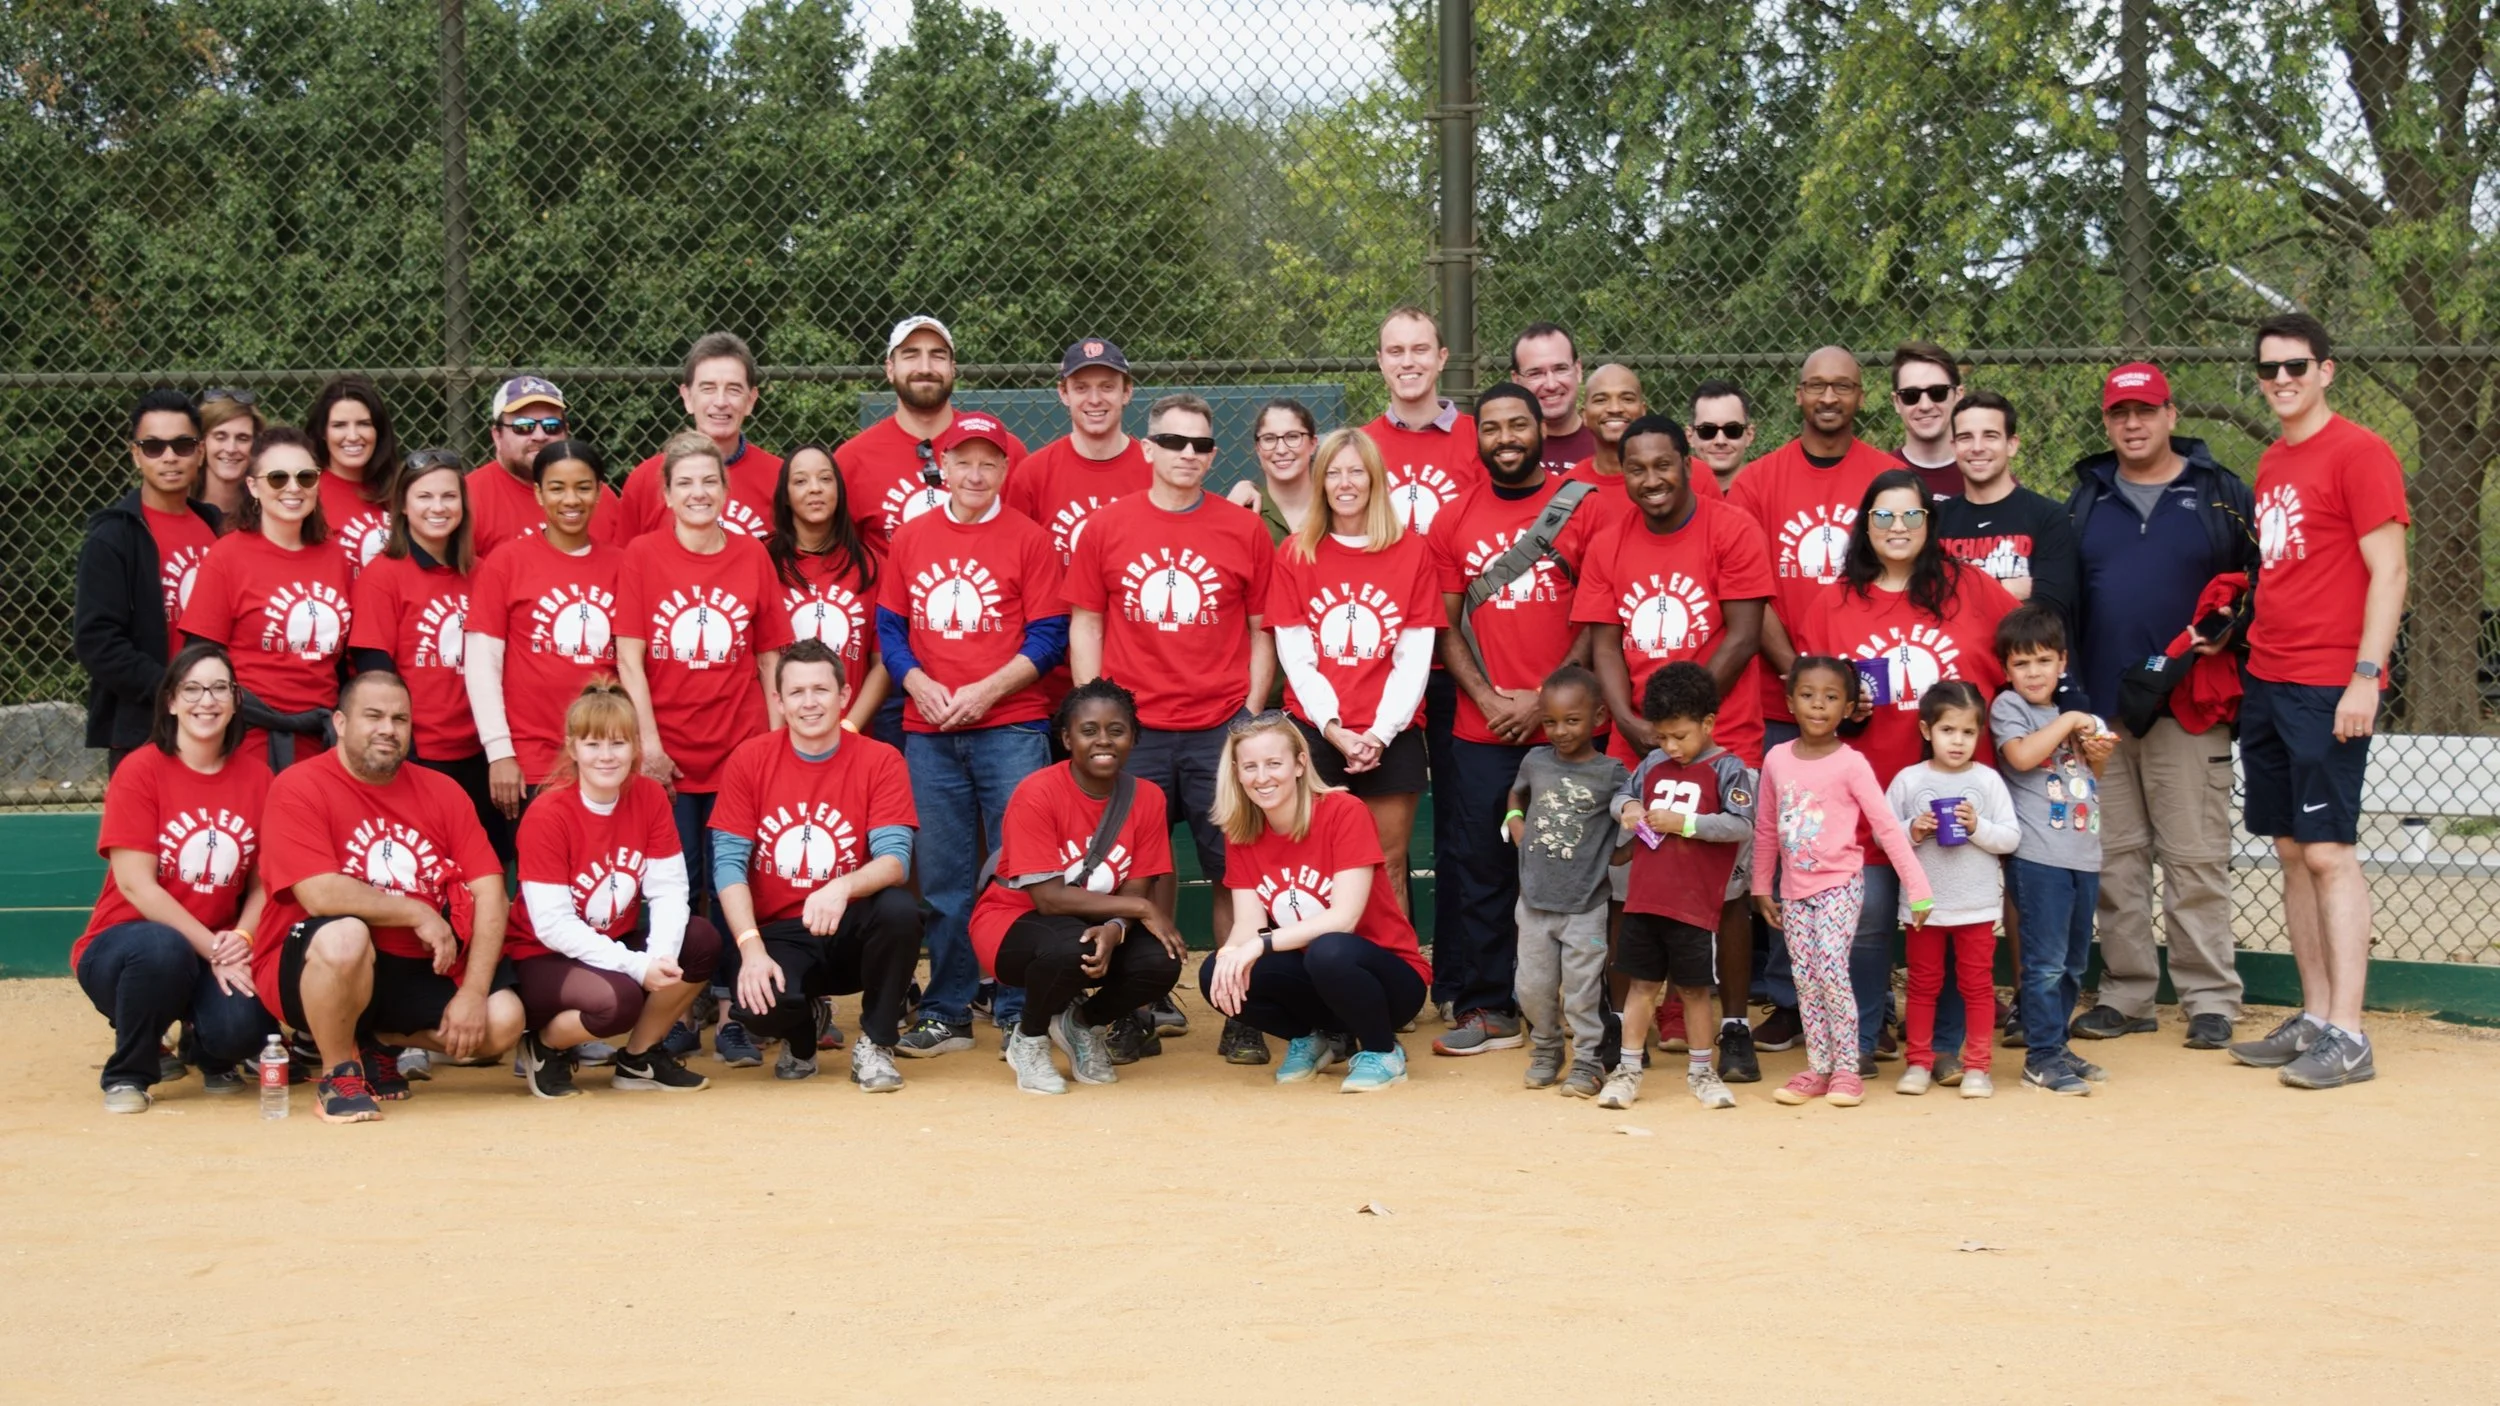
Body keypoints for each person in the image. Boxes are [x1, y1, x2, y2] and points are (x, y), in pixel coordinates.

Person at [2227, 313, 2408, 1090]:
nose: (2282, 381)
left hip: (2329, 683)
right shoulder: (2273, 461)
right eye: (2269, 370)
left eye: (2296, 367)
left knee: (2330, 850)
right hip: (2268, 676)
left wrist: (2365, 674)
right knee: (2291, 849)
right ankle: (2316, 1014)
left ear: (2326, 370)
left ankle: (2351, 1033)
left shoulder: (2361, 453)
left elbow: (2390, 571)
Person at [1066, 392, 1275, 1061]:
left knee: (1233, 873)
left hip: (1219, 728)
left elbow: (1260, 632)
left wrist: (1249, 718)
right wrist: (1096, 719)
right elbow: (1087, 623)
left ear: (1214, 455)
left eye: (1202, 445)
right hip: (1136, 732)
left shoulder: (1243, 530)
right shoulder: (1106, 527)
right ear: (1147, 447)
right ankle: (1136, 1009)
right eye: (1175, 442)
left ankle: (1239, 1008)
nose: (1189, 455)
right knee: (1130, 878)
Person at [1790, 470, 2017, 1076]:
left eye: (1911, 515)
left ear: (1929, 523)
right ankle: (1863, 1038)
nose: (1897, 527)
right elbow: (1815, 693)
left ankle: (1943, 1047)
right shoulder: (1833, 602)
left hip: (1950, 793)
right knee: (1865, 922)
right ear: (1865, 526)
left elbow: (2022, 653)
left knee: (1945, 918)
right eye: (1883, 516)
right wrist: (1849, 707)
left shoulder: (1973, 589)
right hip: (1861, 789)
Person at [1569, 414, 1773, 1079]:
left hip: (1719, 740)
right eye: (1636, 468)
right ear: (1620, 472)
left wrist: (1681, 721)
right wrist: (1633, 721)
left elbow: (1743, 635)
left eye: (1663, 465)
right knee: (1630, 884)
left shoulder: (1731, 528)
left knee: (1726, 888)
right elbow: (1602, 640)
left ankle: (1734, 1024)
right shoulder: (1608, 539)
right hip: (1640, 744)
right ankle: (1629, 1029)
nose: (1650, 480)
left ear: (1687, 464)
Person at [2066, 361, 2253, 1050]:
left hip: (2190, 706)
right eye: (2120, 413)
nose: (2133, 424)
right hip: (2107, 713)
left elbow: (2261, 582)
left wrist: (2236, 625)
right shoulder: (2086, 499)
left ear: (2172, 415)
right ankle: (2128, 992)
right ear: (2108, 422)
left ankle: (2208, 997)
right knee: (2115, 857)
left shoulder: (2219, 494)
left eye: (2146, 411)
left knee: (2194, 856)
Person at [251, 671, 524, 1124]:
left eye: (400, 719)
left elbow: (491, 891)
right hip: (311, 962)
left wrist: (474, 992)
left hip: (410, 966)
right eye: (373, 716)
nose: (388, 729)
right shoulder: (300, 785)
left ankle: (381, 1040)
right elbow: (319, 893)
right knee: (346, 935)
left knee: (502, 1021)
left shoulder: (441, 791)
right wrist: (415, 911)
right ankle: (340, 1073)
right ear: (340, 722)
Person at [877, 412, 1066, 1055]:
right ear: (944, 467)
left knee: (1019, 870)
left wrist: (986, 690)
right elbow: (890, 628)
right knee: (944, 878)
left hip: (1010, 725)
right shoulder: (912, 537)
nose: (975, 473)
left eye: (989, 461)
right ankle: (949, 1006)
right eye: (964, 460)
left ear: (1006, 469)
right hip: (928, 729)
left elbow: (1047, 636)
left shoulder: (1030, 539)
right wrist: (917, 684)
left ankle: (1017, 1004)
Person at [1427, 383, 1597, 1058]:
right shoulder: (1453, 517)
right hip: (1482, 727)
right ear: (1479, 438)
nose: (1505, 437)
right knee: (1483, 869)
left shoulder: (1582, 509)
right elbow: (1441, 625)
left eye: (1518, 425)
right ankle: (1488, 1007)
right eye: (1492, 427)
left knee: (1583, 868)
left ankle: (1590, 1010)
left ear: (1541, 430)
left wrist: (1546, 700)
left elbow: (1595, 619)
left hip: (1572, 728)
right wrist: (1492, 699)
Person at [614, 431, 792, 977]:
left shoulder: (751, 556)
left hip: (738, 748)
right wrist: (649, 746)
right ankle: (676, 1001)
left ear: (727, 491)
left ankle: (736, 1001)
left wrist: (772, 744)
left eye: (709, 481)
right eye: (685, 483)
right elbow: (629, 660)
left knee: (735, 876)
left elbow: (770, 659)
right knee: (675, 881)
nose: (698, 493)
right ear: (665, 494)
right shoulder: (643, 555)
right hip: (668, 755)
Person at [709, 640, 922, 1092]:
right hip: (781, 931)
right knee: (756, 1008)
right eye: (797, 692)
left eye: (821, 690)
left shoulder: (879, 759)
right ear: (778, 701)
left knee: (900, 912)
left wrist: (842, 886)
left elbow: (894, 861)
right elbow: (728, 866)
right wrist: (749, 948)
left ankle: (877, 1044)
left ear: (844, 696)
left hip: (849, 927)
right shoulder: (750, 760)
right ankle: (803, 1034)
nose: (810, 703)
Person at [74, 643, 277, 1113]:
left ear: (235, 700)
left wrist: (242, 938)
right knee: (162, 948)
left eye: (219, 688)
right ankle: (129, 1073)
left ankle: (206, 1052)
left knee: (243, 1028)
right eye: (192, 688)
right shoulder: (140, 770)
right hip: (126, 948)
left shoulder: (258, 778)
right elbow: (135, 885)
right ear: (170, 700)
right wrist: (211, 948)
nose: (207, 701)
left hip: (214, 950)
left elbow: (263, 883)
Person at [970, 680, 1187, 1093]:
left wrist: (1117, 928)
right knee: (1072, 945)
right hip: (1012, 921)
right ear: (1067, 739)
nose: (1103, 740)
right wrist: (1139, 913)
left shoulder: (1148, 798)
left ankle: (1080, 1024)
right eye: (1089, 730)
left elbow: (1137, 887)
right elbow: (1048, 899)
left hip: (1093, 921)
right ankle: (1029, 1040)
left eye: (1116, 730)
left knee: (1162, 960)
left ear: (1133, 737)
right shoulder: (1036, 793)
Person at [1199, 712, 1432, 1093]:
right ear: (1237, 773)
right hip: (1316, 976)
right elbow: (1247, 924)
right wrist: (1229, 954)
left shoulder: (1343, 812)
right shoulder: (1241, 829)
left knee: (1329, 949)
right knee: (1215, 973)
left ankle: (1382, 1050)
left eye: (1274, 763)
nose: (1262, 777)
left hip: (1388, 980)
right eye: (1250, 767)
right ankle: (1311, 1038)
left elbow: (1344, 918)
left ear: (1299, 764)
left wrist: (1259, 944)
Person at [506, 681, 718, 1097]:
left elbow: (669, 889)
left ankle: (638, 1059)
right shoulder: (548, 813)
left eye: (618, 743)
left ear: (636, 747)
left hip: (609, 943)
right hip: (541, 955)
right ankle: (543, 1046)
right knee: (618, 1000)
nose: (606, 756)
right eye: (593, 744)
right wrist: (637, 967)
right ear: (572, 748)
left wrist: (660, 956)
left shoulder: (650, 797)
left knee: (700, 941)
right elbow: (552, 925)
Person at [1267, 427, 1444, 914]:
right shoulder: (1297, 553)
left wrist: (1380, 735)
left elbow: (1414, 658)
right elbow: (1297, 659)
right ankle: (1323, 983)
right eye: (1334, 473)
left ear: (1375, 480)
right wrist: (1335, 730)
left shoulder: (1410, 552)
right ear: (1320, 482)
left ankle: (1397, 983)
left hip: (1392, 732)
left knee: (1387, 865)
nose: (1345, 484)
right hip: (1317, 733)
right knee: (1316, 867)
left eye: (1357, 472)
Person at [1751, 657, 1931, 1108]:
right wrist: (1759, 886)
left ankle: (1848, 1069)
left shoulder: (1852, 764)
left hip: (1840, 884)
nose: (1818, 706)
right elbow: (1767, 825)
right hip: (1793, 890)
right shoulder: (1776, 759)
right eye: (1808, 695)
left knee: (1832, 970)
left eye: (1831, 698)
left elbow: (1886, 827)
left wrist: (1918, 886)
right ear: (1790, 701)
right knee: (1806, 979)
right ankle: (1818, 1066)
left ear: (1849, 707)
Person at [1729, 345, 1901, 757]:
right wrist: (1798, 675)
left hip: (1867, 699)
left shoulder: (1890, 480)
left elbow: (1901, 581)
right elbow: (1745, 592)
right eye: (1816, 386)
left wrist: (1849, 685)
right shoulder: (1755, 482)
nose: (1828, 397)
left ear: (1861, 396)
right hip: (1779, 700)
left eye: (1842, 386)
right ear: (1798, 394)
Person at [1607, 661, 1755, 1110]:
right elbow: (1621, 796)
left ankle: (1702, 1071)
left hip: (1693, 904)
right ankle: (1628, 1068)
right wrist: (1629, 808)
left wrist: (1683, 823)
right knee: (1640, 986)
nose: (1670, 746)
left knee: (1693, 989)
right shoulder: (1652, 762)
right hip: (1646, 898)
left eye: (1681, 736)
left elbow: (1740, 825)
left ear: (1708, 723)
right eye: (1662, 736)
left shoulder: (1728, 769)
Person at [348, 448, 503, 860]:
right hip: (421, 749)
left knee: (485, 859)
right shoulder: (384, 574)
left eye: (449, 497)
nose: (438, 507)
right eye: (424, 497)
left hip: (480, 747)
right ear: (402, 506)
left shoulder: (484, 573)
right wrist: (400, 744)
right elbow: (373, 669)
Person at [465, 439, 625, 820]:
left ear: (600, 492)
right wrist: (499, 750)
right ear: (538, 494)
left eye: (583, 487)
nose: (571, 500)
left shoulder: (623, 564)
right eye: (557, 488)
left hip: (606, 754)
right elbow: (481, 662)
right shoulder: (508, 561)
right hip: (532, 759)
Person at [1991, 605, 2114, 1096]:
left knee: (2073, 963)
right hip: (2039, 856)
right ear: (2006, 671)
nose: (2034, 672)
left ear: (2063, 662)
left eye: (2044, 660)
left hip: (2083, 854)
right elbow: (2021, 757)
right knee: (2043, 962)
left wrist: (2098, 756)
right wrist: (2072, 721)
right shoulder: (2011, 709)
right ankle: (2040, 1057)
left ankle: (2056, 1045)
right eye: (2021, 664)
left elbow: (2087, 780)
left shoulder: (2074, 718)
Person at [180, 427, 354, 770]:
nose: (293, 488)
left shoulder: (335, 556)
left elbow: (343, 662)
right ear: (253, 486)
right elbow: (199, 658)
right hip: (247, 736)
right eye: (277, 478)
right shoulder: (227, 556)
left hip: (320, 737)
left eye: (305, 477)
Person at [1883, 680, 2019, 1098]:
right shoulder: (1908, 780)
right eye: (1947, 730)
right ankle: (1919, 1063)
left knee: (1977, 986)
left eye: (1968, 732)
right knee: (1923, 985)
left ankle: (1978, 1066)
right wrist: (1913, 828)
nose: (1957, 741)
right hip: (1925, 907)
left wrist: (1978, 827)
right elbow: (1885, 835)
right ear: (1927, 731)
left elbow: (2011, 838)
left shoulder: (1989, 781)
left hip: (1975, 907)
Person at [76, 388, 220, 767]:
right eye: (153, 446)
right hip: (143, 725)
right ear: (135, 454)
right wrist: (174, 691)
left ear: (200, 451)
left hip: (221, 721)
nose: (169, 457)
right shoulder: (113, 537)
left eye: (182, 445)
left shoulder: (221, 529)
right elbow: (97, 642)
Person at [1504, 666, 1623, 1097]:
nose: (1559, 731)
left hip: (1586, 905)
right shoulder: (1535, 761)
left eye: (1571, 720)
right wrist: (1516, 822)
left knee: (1582, 993)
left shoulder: (1612, 773)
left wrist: (1619, 854)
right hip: (1534, 902)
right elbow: (1516, 793)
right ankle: (1547, 1048)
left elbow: (1631, 819)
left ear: (1599, 717)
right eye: (1549, 721)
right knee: (1531, 989)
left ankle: (1589, 1061)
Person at [838, 316, 1031, 551]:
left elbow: (1026, 544)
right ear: (890, 369)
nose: (925, 368)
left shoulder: (1002, 449)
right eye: (911, 355)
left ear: (952, 368)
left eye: (938, 356)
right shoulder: (852, 460)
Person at [767, 441, 889, 732]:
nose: (814, 488)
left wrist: (849, 726)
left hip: (850, 732)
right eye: (800, 481)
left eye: (825, 478)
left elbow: (884, 662)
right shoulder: (762, 560)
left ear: (840, 491)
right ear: (785, 495)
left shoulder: (872, 565)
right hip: (778, 731)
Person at [1934, 390, 2078, 628]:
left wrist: (1961, 595)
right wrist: (2008, 587)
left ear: (2011, 445)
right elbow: (1930, 604)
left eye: (1990, 436)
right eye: (1966, 437)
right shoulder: (1936, 521)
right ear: (1953, 447)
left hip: (2026, 660)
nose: (1977, 447)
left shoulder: (2049, 517)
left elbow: (2050, 610)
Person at [620, 332, 783, 539]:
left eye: (734, 389)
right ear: (687, 397)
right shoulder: (645, 480)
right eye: (708, 388)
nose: (721, 401)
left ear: (750, 400)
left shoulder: (780, 478)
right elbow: (626, 564)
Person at [1006, 338, 1151, 564]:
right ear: (1064, 393)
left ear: (1126, 392)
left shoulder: (1154, 469)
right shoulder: (1033, 473)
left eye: (1107, 387)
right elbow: (1012, 560)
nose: (1094, 400)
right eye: (1081, 388)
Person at [1555, 364, 1723, 548]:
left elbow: (1720, 540)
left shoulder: (1692, 473)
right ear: (1584, 415)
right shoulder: (1568, 489)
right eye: (1601, 400)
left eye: (1627, 398)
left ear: (1643, 410)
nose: (1615, 408)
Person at [466, 377, 628, 557]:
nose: (539, 436)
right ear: (497, 436)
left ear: (566, 431)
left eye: (551, 426)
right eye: (524, 426)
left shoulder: (596, 496)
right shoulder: (470, 497)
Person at [1364, 306, 1485, 534]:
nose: (1408, 362)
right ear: (1380, 361)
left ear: (1441, 358)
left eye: (1420, 349)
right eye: (1396, 351)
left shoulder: (1479, 437)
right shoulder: (1361, 445)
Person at [305, 375, 401, 570]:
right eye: (339, 425)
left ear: (378, 430)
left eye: (364, 424)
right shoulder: (305, 491)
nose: (353, 436)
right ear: (323, 432)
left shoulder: (401, 489)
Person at [1512, 322, 1594, 471]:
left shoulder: (1608, 447)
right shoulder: (1502, 450)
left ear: (1578, 370)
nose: (1551, 385)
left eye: (1560, 369)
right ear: (1516, 380)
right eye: (1535, 373)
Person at [1888, 342, 1965, 500]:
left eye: (1938, 392)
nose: (1925, 405)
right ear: (1896, 402)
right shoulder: (1879, 475)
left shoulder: (1985, 475)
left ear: (1958, 395)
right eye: (1911, 395)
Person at [1239, 397, 1319, 543]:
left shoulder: (1335, 507)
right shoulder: (1243, 513)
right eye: (1269, 439)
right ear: (1257, 448)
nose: (1281, 450)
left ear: (1313, 444)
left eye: (1293, 437)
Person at [197, 387, 261, 524]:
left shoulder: (267, 516)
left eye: (242, 438)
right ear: (202, 444)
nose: (231, 449)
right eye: (220, 437)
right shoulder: (182, 507)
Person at [1687, 379, 1757, 496]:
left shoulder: (1767, 492)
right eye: (1707, 430)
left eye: (1732, 430)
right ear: (1690, 436)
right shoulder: (1676, 498)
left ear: (1749, 435)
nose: (1720, 441)